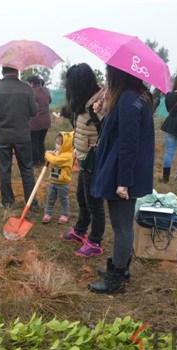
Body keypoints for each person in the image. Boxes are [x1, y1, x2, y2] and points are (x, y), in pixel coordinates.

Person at [88, 65, 154, 294]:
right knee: (122, 225)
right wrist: (102, 114)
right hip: (124, 170)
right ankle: (121, 268)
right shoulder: (139, 97)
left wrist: (123, 181)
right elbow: (115, 133)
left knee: (122, 226)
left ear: (119, 74)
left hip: (122, 172)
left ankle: (116, 278)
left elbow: (128, 144)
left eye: (109, 72)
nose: (107, 76)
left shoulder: (128, 99)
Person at [61, 63, 106, 258]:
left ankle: (95, 241)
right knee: (82, 196)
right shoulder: (83, 102)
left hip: (94, 160)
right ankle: (80, 231)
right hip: (83, 157)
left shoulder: (99, 105)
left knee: (94, 202)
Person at [0, 66, 39, 209]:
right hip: (22, 135)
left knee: (4, 169)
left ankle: (7, 202)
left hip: (2, 136)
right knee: (27, 169)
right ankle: (31, 202)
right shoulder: (27, 88)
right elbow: (34, 111)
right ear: (17, 71)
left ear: (2, 71)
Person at [42, 132, 73, 224]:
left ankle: (65, 215)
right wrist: (52, 154)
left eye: (59, 144)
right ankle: (48, 214)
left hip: (63, 183)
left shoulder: (67, 156)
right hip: (53, 181)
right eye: (56, 143)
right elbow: (53, 158)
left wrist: (47, 154)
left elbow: (55, 161)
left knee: (63, 199)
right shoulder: (57, 153)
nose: (57, 145)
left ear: (66, 146)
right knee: (50, 198)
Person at [27, 75, 52, 167]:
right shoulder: (46, 90)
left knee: (34, 142)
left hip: (35, 122)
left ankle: (35, 162)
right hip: (46, 120)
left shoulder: (31, 92)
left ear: (32, 83)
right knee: (41, 142)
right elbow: (49, 101)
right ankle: (42, 160)